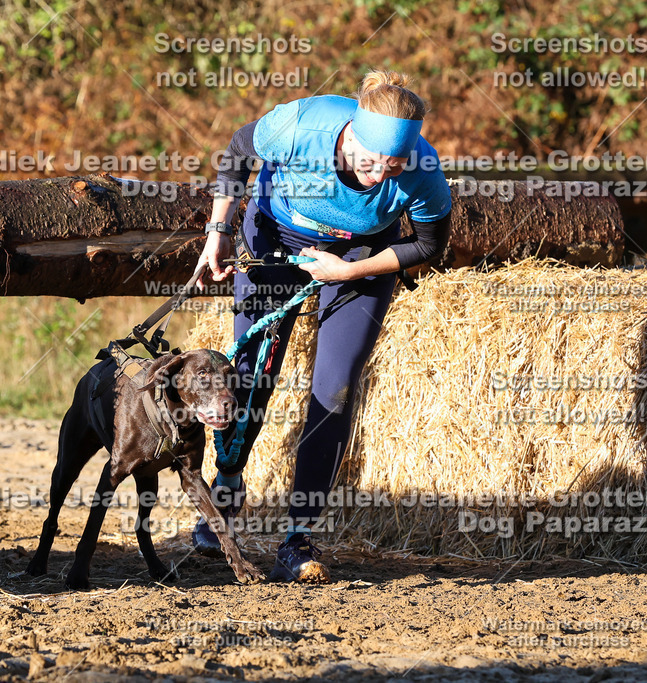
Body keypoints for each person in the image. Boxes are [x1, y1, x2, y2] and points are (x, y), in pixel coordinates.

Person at [192, 70, 453, 583]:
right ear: (349, 134)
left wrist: (349, 271)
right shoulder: (302, 125)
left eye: (393, 166)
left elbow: (428, 245)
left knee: (334, 387)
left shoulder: (422, 169)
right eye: (370, 161)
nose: (380, 175)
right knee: (250, 375)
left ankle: (298, 539)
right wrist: (219, 231)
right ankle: (225, 489)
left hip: (361, 253)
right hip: (276, 236)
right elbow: (239, 150)